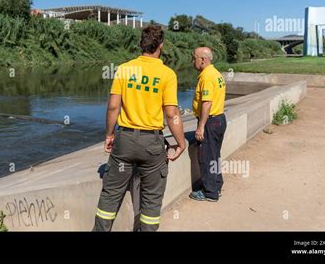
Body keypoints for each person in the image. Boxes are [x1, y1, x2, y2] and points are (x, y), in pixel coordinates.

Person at [93, 24, 186, 232]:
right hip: (152, 144)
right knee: (151, 201)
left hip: (124, 140)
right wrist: (181, 143)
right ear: (160, 46)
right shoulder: (167, 74)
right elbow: (172, 114)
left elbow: (113, 107)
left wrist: (109, 135)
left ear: (141, 44)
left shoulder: (125, 69)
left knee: (110, 195)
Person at [189, 47, 227, 202]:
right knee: (215, 155)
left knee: (206, 157)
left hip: (210, 121)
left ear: (202, 60)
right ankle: (216, 186)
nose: (193, 60)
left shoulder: (207, 77)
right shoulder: (216, 73)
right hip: (219, 119)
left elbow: (206, 103)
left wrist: (201, 126)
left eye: (194, 57)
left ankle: (209, 193)